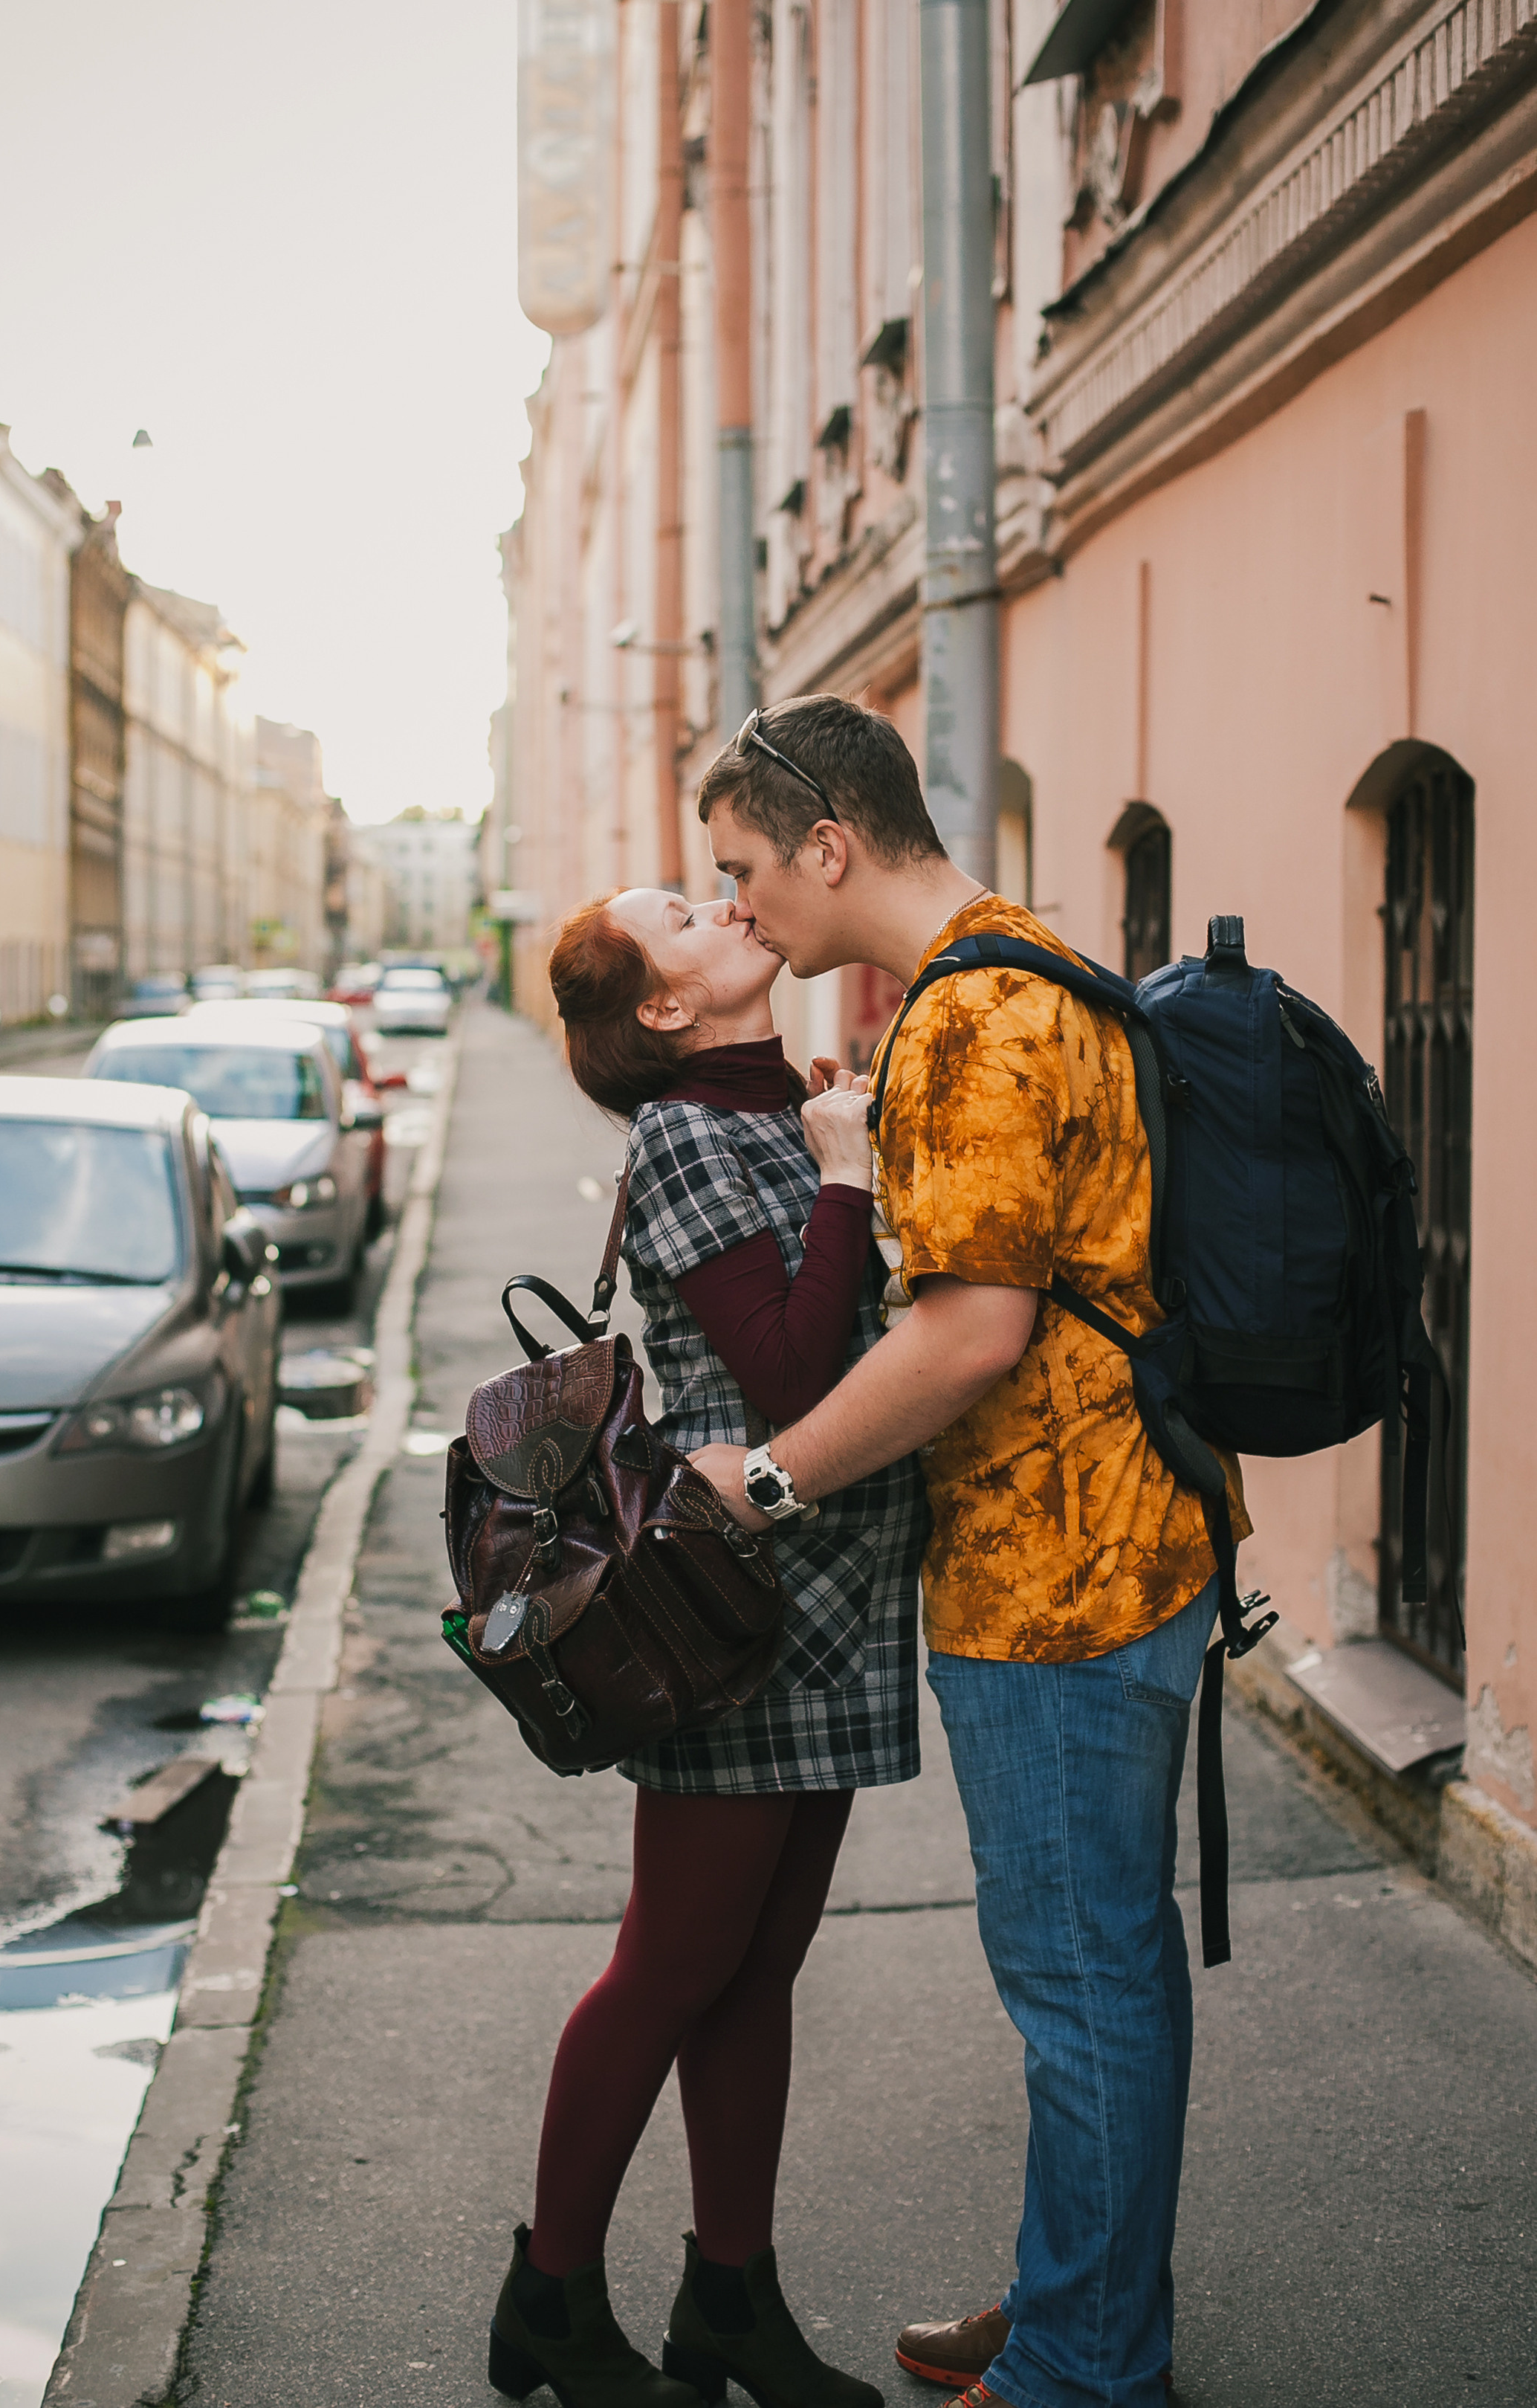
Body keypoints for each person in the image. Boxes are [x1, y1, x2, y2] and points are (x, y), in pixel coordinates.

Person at [687, 695, 1250, 2408]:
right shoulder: (1012, 968)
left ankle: (1089, 2372)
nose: (733, 911)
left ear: (831, 847)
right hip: (1104, 1545)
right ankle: (1080, 2306)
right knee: (1097, 1973)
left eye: (742, 870)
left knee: (1081, 1985)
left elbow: (968, 1337)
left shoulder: (975, 1022)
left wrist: (762, 1484)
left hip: (1063, 1574)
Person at [488, 884, 928, 2408]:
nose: (726, 899)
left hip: (833, 1594)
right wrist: (849, 1174)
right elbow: (793, 1360)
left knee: (758, 1969)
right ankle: (549, 2295)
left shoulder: (772, 1114)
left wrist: (834, 1153)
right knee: (671, 1963)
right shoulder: (689, 1131)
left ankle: (729, 2300)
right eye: (683, 910)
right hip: (735, 1608)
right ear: (666, 1007)